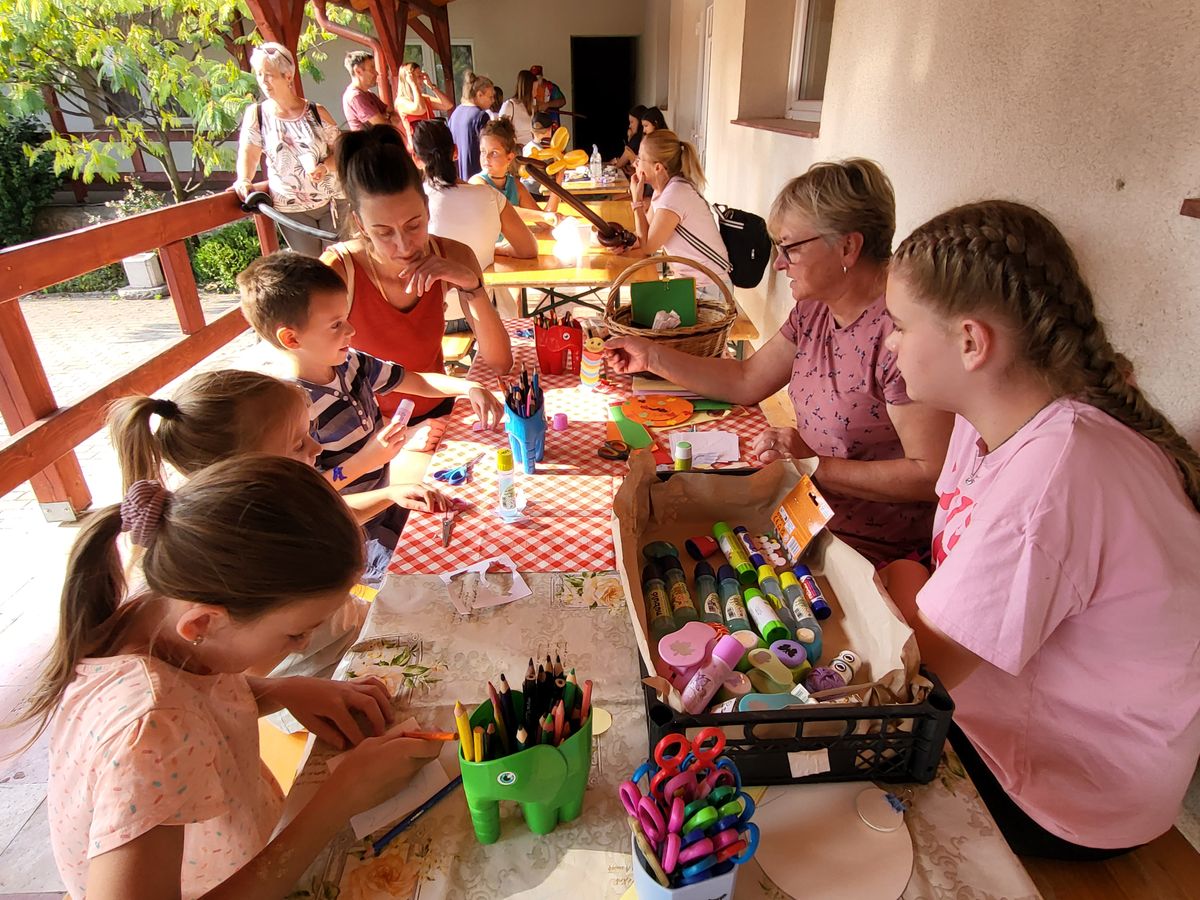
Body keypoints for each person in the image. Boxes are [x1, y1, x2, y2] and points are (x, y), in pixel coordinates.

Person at [883, 200, 1200, 859]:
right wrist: (906, 579)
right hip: (1016, 718)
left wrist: (899, 577)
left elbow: (924, 672)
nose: (889, 344)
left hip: (1072, 794)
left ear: (971, 342)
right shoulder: (989, 413)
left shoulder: (1057, 475)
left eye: (899, 326)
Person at [11, 454, 442, 899]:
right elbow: (168, 722)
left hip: (242, 846)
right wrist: (339, 798)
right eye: (296, 634)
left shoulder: (163, 615)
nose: (299, 648)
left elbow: (196, 695)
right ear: (203, 624)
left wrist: (283, 689)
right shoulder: (150, 729)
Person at [605, 159, 953, 566]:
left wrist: (815, 463)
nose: (779, 263)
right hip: (806, 518)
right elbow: (747, 378)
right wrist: (651, 356)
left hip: (869, 556)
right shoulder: (816, 311)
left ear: (847, 247)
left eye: (789, 247)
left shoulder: (899, 336)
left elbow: (932, 475)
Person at [106, 370, 456, 679]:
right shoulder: (225, 558)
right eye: (297, 444)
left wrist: (389, 495)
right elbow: (240, 675)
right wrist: (289, 694)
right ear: (244, 469)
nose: (316, 448)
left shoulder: (252, 509)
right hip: (319, 673)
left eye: (310, 433)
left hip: (344, 633)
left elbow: (319, 524)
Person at [237, 251, 503, 587]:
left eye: (345, 317)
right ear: (291, 338)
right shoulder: (291, 409)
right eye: (336, 325)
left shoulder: (349, 363)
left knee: (473, 527)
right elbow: (309, 497)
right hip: (349, 531)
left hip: (387, 498)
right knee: (420, 584)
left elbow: (415, 380)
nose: (351, 330)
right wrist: (367, 460)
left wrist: (469, 387)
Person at [321, 126, 514, 422]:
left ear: (426, 208)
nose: (404, 245)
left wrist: (471, 286)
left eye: (414, 225)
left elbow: (500, 363)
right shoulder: (339, 270)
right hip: (368, 429)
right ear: (360, 225)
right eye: (383, 232)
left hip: (437, 416)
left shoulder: (453, 255)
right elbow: (316, 373)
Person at [233, 42, 346, 257]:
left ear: (287, 76)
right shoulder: (256, 114)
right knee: (310, 268)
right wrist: (244, 179)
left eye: (269, 75)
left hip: (332, 200)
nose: (263, 82)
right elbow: (249, 152)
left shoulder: (316, 112)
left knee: (339, 264)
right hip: (291, 208)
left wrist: (324, 166)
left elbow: (341, 151)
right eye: (259, 75)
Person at [411, 119, 536, 269]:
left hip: (437, 291)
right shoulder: (489, 196)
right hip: (484, 290)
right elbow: (528, 249)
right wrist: (496, 250)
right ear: (455, 152)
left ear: (416, 159)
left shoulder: (413, 203)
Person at [629, 129, 730, 288]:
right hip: (691, 284)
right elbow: (644, 234)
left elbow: (648, 247)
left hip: (709, 288)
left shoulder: (675, 194)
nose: (635, 163)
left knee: (642, 309)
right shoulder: (662, 191)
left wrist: (636, 200)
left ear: (658, 168)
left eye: (640, 158)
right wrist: (623, 241)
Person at [470, 117, 555, 213]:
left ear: (509, 157)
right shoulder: (477, 183)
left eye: (494, 153)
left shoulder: (515, 185)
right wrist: (543, 217)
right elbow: (501, 213)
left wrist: (558, 179)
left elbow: (546, 222)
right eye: (483, 151)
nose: (486, 157)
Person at [448, 72, 496, 181]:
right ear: (479, 95)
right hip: (475, 173)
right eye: (490, 96)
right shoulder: (481, 116)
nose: (493, 101)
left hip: (457, 173)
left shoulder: (456, 112)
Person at [393, 61, 453, 147]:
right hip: (417, 149)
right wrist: (414, 85)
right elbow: (420, 109)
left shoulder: (423, 98)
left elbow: (447, 105)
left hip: (431, 144)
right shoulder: (401, 101)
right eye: (418, 76)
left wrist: (431, 86)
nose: (421, 79)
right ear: (408, 79)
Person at [341, 50, 393, 131]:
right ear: (358, 71)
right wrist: (384, 117)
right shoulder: (356, 97)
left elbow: (392, 113)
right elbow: (383, 126)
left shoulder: (369, 94)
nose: (376, 73)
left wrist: (386, 116)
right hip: (369, 143)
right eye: (372, 69)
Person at [498, 69, 537, 145]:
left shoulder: (530, 106)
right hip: (516, 151)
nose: (536, 93)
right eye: (534, 89)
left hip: (530, 150)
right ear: (528, 89)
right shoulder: (509, 106)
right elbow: (500, 133)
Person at [608, 104, 647, 173]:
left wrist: (616, 163)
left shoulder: (637, 140)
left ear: (640, 121)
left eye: (632, 122)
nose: (629, 125)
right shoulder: (639, 138)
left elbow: (619, 164)